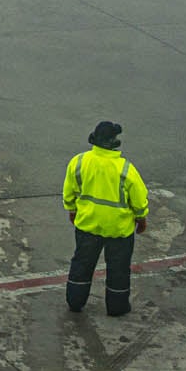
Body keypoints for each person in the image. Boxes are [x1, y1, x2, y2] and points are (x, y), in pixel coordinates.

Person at [62, 120, 148, 317]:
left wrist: (72, 210)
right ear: (114, 142)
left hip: (87, 225)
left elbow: (69, 191)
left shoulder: (79, 161)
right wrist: (141, 219)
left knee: (81, 264)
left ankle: (75, 301)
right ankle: (117, 307)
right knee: (118, 269)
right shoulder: (125, 169)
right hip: (119, 230)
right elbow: (139, 200)